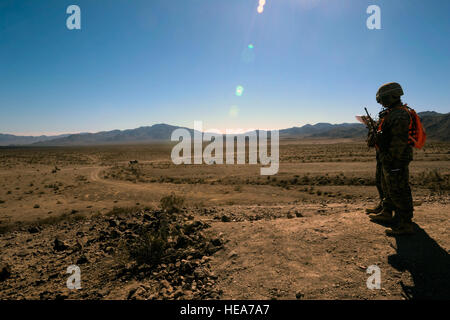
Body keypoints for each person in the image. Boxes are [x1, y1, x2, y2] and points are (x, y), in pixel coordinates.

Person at [368, 82, 414, 236]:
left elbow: (399, 142)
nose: (380, 103)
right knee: (386, 187)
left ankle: (405, 224)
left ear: (391, 96)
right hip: (387, 157)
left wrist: (391, 159)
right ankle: (387, 211)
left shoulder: (399, 115)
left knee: (399, 190)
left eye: (381, 99)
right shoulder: (391, 113)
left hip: (395, 159)